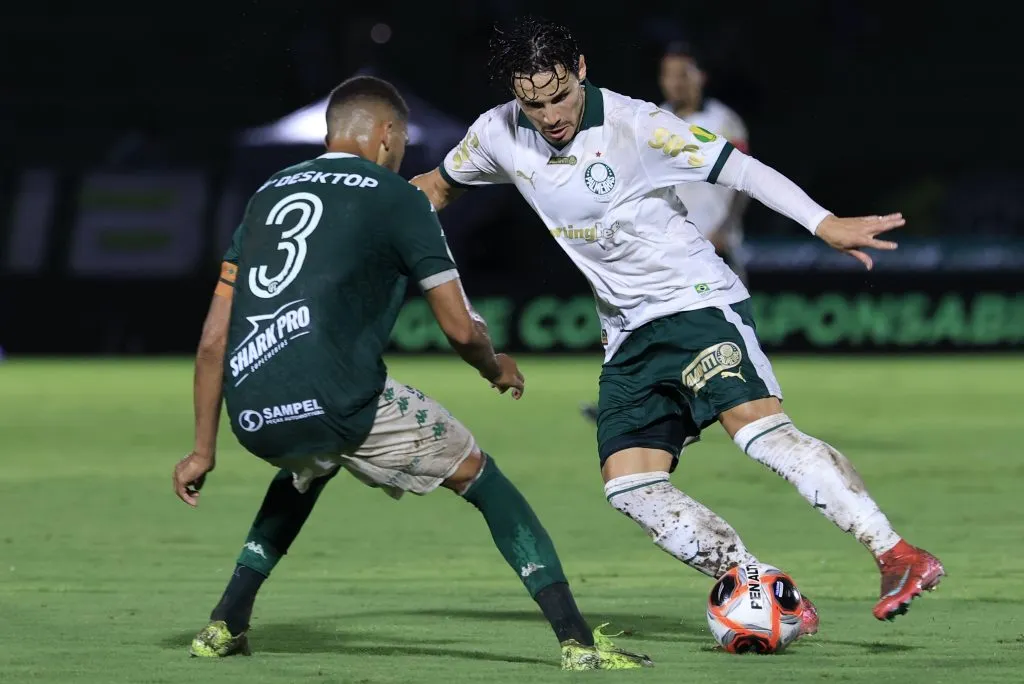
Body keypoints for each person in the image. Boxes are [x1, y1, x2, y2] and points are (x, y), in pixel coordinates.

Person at [411, 17, 943, 628]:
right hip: (626, 334)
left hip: (693, 303)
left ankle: (896, 552)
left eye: (560, 96)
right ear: (515, 92)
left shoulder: (638, 126)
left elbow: (738, 169)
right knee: (630, 487)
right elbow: (434, 188)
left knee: (760, 434)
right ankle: (755, 582)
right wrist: (356, 201)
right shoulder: (499, 132)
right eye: (534, 103)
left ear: (580, 69)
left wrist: (824, 224)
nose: (550, 114)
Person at [172, 75, 652, 671]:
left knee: (311, 464)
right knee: (481, 475)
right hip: (339, 398)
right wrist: (495, 365)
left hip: (252, 412)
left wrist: (201, 450)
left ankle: (225, 622)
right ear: (385, 134)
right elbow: (457, 327)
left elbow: (214, 340)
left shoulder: (268, 194)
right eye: (400, 143)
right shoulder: (396, 196)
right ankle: (578, 642)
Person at [580, 39, 752, 424]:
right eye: (667, 75)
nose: (674, 82)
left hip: (715, 246)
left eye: (682, 74)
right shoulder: (654, 118)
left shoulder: (724, 121)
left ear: (700, 77)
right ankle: (631, 405)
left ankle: (742, 404)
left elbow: (744, 181)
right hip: (666, 246)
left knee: (726, 334)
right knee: (645, 327)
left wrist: (726, 228)